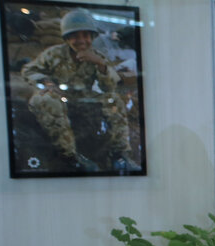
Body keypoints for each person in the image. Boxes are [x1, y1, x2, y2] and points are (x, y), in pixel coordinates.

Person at [21, 9, 137, 172]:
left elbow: (108, 87)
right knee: (44, 100)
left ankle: (119, 154)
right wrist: (46, 82)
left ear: (92, 37)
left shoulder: (96, 55)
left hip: (84, 98)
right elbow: (28, 70)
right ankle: (69, 157)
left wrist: (100, 64)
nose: (81, 41)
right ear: (67, 38)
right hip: (57, 96)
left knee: (114, 99)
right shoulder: (53, 54)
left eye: (86, 35)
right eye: (75, 36)